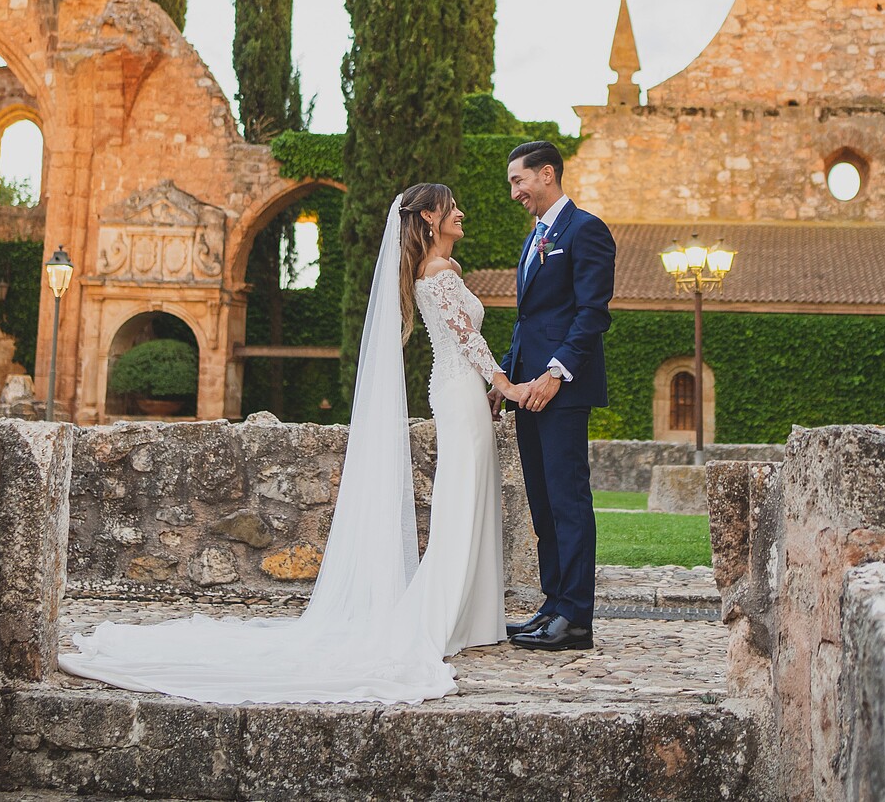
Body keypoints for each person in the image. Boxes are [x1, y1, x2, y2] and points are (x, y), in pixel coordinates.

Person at [57, 184, 530, 703]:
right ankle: (441, 618)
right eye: (453, 206)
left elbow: (463, 337)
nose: (462, 211)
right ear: (432, 218)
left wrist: (490, 387)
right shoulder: (436, 276)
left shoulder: (449, 271)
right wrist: (505, 384)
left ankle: (473, 615)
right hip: (460, 391)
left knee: (473, 494)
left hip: (464, 391)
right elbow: (467, 337)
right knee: (459, 500)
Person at [501, 139, 614, 652]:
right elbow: (531, 321)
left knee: (568, 500)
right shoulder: (535, 238)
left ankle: (577, 618)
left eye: (518, 181)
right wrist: (504, 377)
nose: (514, 192)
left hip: (560, 391)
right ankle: (552, 604)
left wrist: (554, 373)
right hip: (526, 391)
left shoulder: (585, 230)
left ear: (547, 174)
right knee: (543, 503)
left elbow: (592, 314)